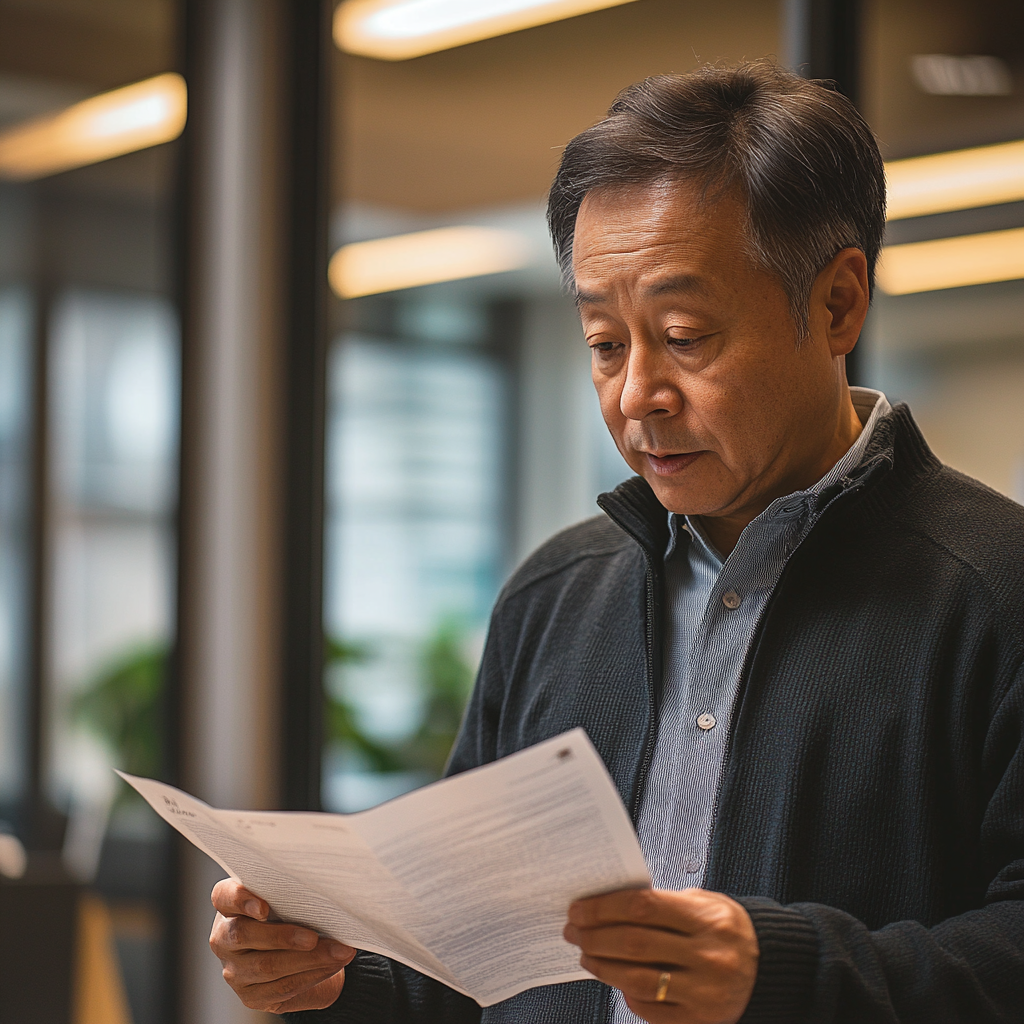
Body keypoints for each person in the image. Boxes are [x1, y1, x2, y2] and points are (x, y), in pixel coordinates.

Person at [208, 62, 1024, 1023]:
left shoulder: (995, 592)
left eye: (684, 336)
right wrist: (335, 977)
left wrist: (782, 975)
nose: (637, 395)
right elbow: (463, 959)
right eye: (604, 343)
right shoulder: (556, 592)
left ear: (840, 304)